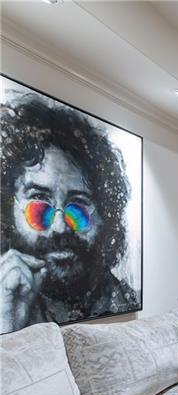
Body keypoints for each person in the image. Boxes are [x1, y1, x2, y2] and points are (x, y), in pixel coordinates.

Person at [1, 94, 140, 334]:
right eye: (39, 208)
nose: (59, 226)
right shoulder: (7, 304)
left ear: (104, 218)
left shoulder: (124, 301)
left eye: (77, 209)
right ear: (8, 212)